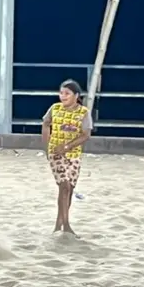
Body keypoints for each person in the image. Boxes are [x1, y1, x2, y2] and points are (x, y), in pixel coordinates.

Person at [42, 79, 92, 235]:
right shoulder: (55, 108)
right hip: (56, 153)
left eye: (67, 93)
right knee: (64, 185)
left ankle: (59, 224)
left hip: (73, 154)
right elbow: (45, 124)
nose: (63, 96)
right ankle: (66, 225)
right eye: (61, 93)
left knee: (69, 188)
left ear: (76, 96)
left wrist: (67, 146)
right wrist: (47, 147)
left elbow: (86, 134)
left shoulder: (83, 113)